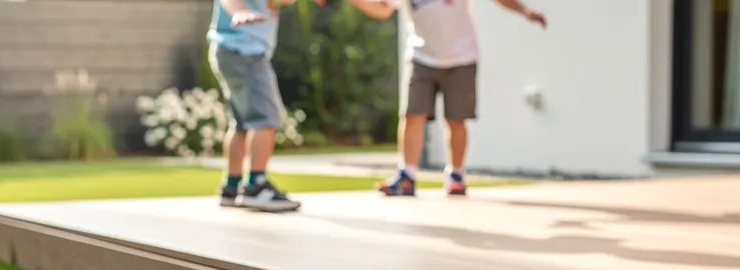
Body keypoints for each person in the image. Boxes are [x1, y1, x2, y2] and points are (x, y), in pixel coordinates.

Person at [208, 0, 395, 212]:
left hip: (229, 50)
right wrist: (239, 11)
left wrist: (380, 7)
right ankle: (255, 186)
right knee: (266, 119)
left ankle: (231, 187)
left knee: (241, 123)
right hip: (245, 53)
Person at [367, 0, 547, 198]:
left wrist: (524, 10)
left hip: (461, 57)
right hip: (421, 56)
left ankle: (456, 175)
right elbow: (383, 8)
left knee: (456, 119)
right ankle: (406, 177)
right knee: (412, 115)